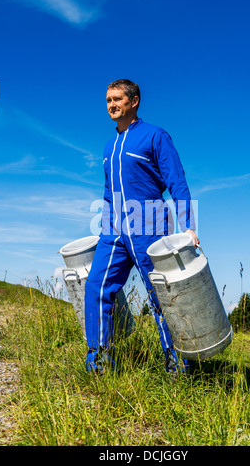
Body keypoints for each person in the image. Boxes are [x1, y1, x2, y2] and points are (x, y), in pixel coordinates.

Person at [85, 79, 199, 374]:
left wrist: (188, 226)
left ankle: (177, 364)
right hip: (113, 231)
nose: (112, 105)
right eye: (108, 100)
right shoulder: (109, 147)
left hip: (148, 225)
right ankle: (98, 362)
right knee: (97, 287)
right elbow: (109, 192)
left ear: (134, 101)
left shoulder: (155, 136)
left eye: (118, 99)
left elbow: (177, 182)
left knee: (161, 295)